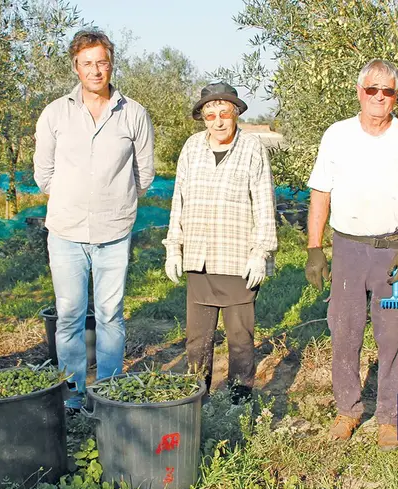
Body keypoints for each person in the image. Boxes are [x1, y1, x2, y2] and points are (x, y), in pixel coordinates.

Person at [304, 59, 398, 449]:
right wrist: (315, 248)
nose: (379, 97)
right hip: (347, 248)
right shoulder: (337, 135)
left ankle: (390, 417)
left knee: (393, 334)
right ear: (359, 92)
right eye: (372, 89)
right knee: (344, 331)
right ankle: (348, 410)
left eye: (388, 91)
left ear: (396, 96)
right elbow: (320, 194)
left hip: (392, 251)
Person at [33, 29, 155, 411]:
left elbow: (144, 173)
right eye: (87, 63)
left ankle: (108, 393)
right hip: (66, 232)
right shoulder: (55, 113)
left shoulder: (133, 113)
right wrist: (73, 198)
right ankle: (70, 395)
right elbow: (43, 174)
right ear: (76, 67)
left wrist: (113, 200)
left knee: (110, 314)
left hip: (114, 232)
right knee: (69, 314)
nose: (95, 70)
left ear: (111, 64)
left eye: (101, 62)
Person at [163, 82, 277, 404]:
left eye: (224, 113)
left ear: (236, 113)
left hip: (238, 260)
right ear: (202, 118)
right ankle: (196, 403)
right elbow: (178, 202)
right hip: (199, 258)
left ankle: (238, 402)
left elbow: (264, 204)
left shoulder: (253, 149)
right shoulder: (191, 148)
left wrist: (261, 252)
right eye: (210, 115)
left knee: (240, 340)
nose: (218, 121)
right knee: (197, 341)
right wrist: (174, 247)